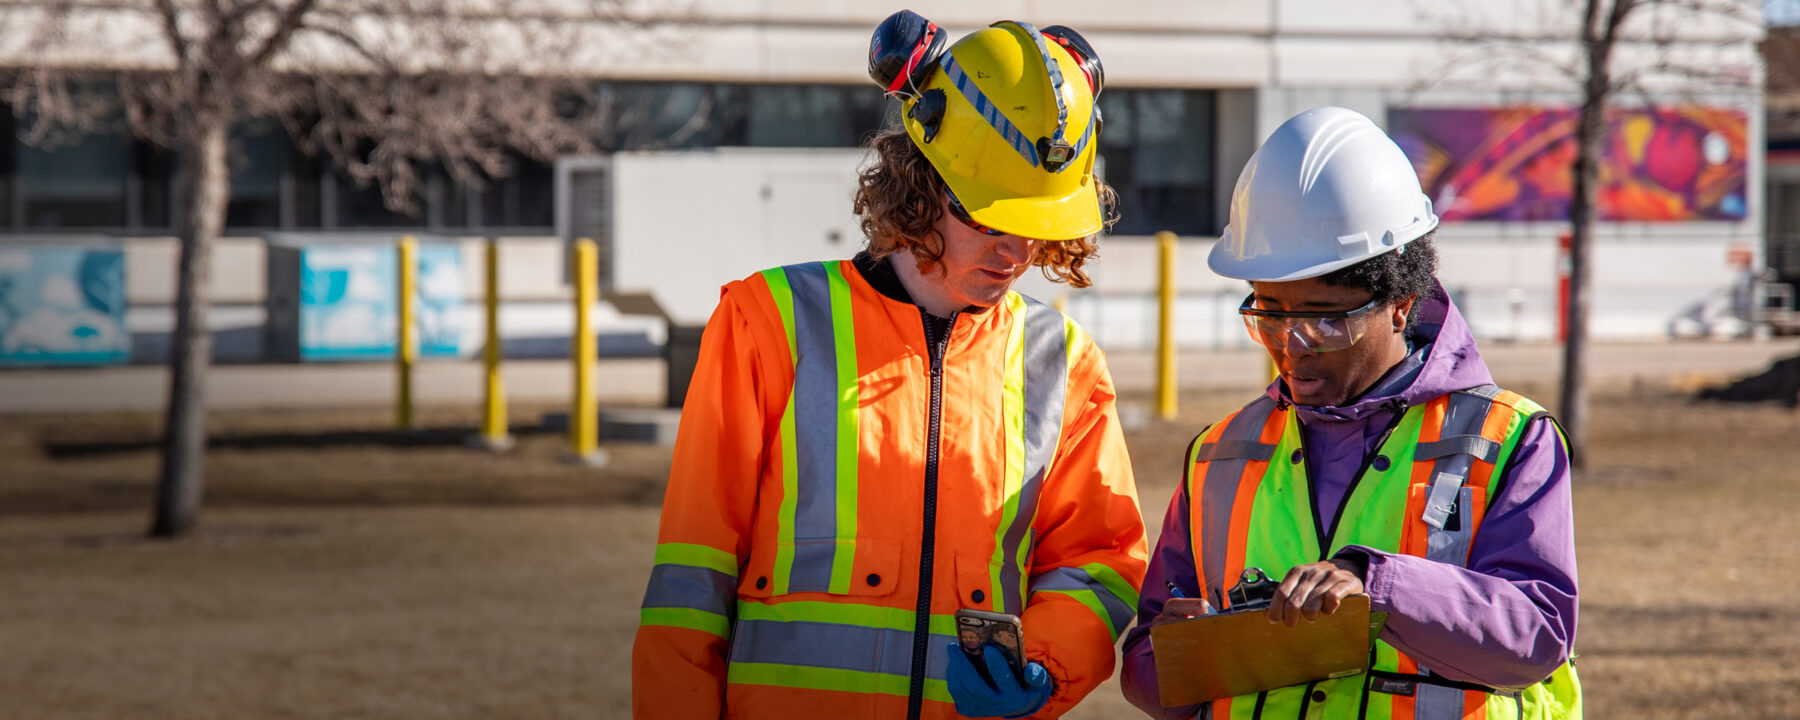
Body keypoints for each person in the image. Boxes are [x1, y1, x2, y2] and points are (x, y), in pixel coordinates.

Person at [632, 11, 1147, 720]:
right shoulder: (768, 322)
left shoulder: (1064, 364)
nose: (1016, 252)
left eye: (1038, 226)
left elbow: (1100, 561)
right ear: (920, 178)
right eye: (991, 217)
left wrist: (1044, 663)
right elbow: (692, 578)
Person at [1120, 107, 1581, 719]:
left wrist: (1380, 587)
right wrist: (1176, 650)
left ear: (1401, 304)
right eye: (1270, 312)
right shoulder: (1220, 453)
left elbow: (1537, 637)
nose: (1293, 343)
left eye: (1325, 316)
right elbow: (1146, 670)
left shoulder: (1508, 440)